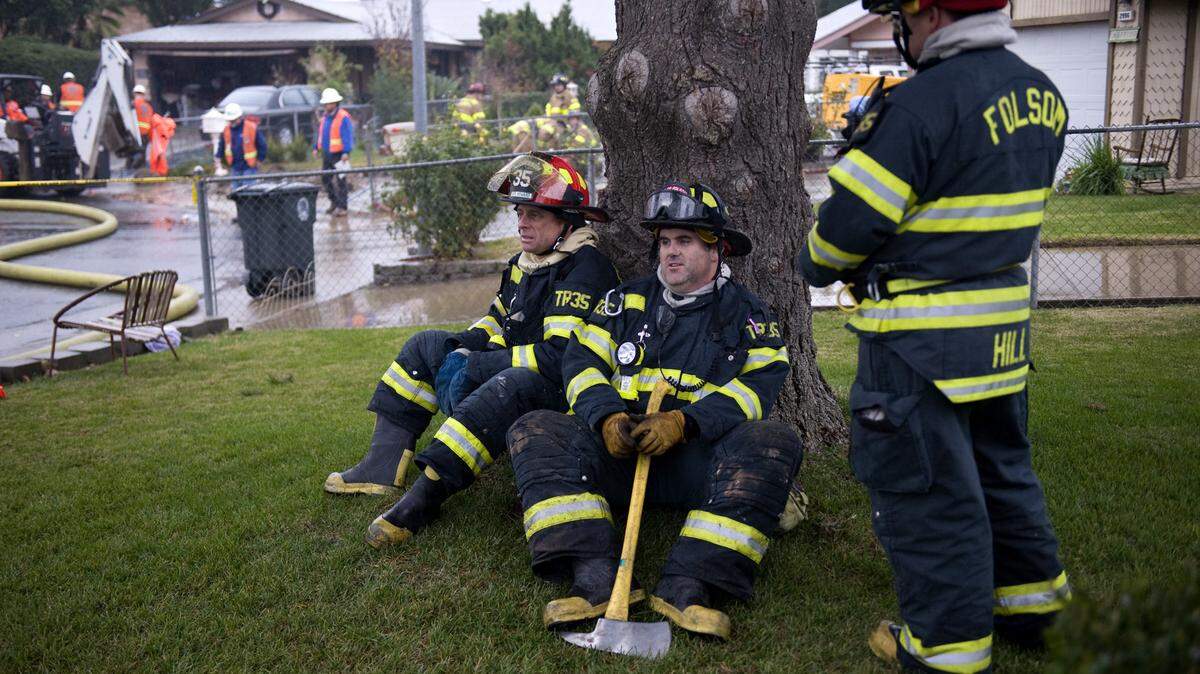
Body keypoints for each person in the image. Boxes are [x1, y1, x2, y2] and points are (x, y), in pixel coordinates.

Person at [796, 1, 1071, 671]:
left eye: (905, 14)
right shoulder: (1043, 95)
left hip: (919, 342)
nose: (902, 29)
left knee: (928, 494)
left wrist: (816, 261)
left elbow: (845, 232)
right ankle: (1032, 609)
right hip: (1002, 334)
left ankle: (945, 651)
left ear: (935, 13)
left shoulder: (919, 106)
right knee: (1002, 469)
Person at [506, 182, 804, 638]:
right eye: (664, 242)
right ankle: (595, 577)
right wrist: (607, 418)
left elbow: (758, 387)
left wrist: (685, 423)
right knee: (536, 429)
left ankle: (689, 585)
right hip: (620, 454)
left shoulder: (749, 315)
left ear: (717, 250)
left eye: (684, 241)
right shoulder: (625, 302)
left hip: (697, 464)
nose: (670, 252)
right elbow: (581, 362)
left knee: (773, 441)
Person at [321, 153, 620, 551]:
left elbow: (558, 357)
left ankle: (425, 498)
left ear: (566, 222)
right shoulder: (525, 263)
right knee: (425, 344)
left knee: (508, 385)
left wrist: (478, 363)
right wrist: (459, 347)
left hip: (550, 395)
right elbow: (498, 318)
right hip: (502, 374)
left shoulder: (584, 269)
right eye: (519, 212)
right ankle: (380, 467)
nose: (521, 223)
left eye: (534, 215)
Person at [313, 87, 352, 216]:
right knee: (325, 179)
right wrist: (316, 148)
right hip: (327, 154)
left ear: (335, 103)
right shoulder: (325, 118)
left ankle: (343, 207)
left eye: (328, 103)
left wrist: (346, 152)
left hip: (340, 154)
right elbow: (321, 135)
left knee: (341, 181)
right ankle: (334, 202)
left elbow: (347, 135)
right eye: (325, 103)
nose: (326, 105)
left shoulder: (343, 117)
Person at [215, 103, 267, 189]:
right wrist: (218, 158)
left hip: (249, 167)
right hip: (235, 167)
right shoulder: (226, 130)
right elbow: (222, 145)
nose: (232, 122)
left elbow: (262, 145)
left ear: (239, 117)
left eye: (234, 120)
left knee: (249, 192)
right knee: (236, 193)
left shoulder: (251, 127)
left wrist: (259, 160)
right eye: (230, 120)